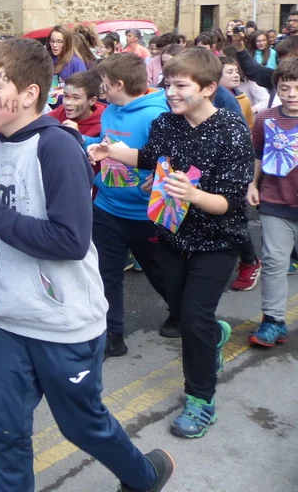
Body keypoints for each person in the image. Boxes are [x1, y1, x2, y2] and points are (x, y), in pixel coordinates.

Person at [0, 38, 175, 492]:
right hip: (9, 320)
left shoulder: (56, 147)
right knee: (5, 429)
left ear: (29, 93)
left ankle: (144, 476)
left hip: (65, 323)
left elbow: (70, 241)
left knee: (81, 424)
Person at [89, 47, 252, 439]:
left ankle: (200, 400)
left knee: (193, 317)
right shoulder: (166, 123)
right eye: (168, 84)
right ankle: (212, 335)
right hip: (170, 233)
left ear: (208, 88)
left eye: (181, 86)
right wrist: (111, 151)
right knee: (182, 311)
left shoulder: (232, 130)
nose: (171, 93)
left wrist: (192, 195)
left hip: (216, 242)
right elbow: (149, 157)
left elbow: (230, 203)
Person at [82, 53, 173, 354]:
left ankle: (182, 312)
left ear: (119, 84)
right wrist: (83, 141)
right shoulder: (109, 111)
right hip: (107, 206)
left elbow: (169, 158)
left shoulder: (156, 115)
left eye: (104, 84)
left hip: (145, 213)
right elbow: (106, 146)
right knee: (105, 274)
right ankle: (112, 335)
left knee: (159, 272)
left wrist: (158, 175)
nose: (101, 89)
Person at [246, 57, 298, 350]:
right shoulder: (265, 118)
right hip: (275, 201)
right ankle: (273, 320)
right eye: (285, 88)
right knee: (275, 262)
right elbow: (257, 153)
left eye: (297, 88)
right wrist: (252, 184)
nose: (291, 94)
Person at [47, 69, 106, 137]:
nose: (68, 102)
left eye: (75, 98)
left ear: (92, 101)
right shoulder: (61, 111)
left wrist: (77, 135)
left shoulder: (102, 126)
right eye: (66, 96)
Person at [47, 25, 86, 106]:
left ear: (67, 43)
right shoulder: (47, 59)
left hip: (68, 106)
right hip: (49, 105)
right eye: (52, 41)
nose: (54, 45)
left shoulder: (76, 62)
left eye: (59, 42)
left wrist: (65, 90)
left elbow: (83, 86)